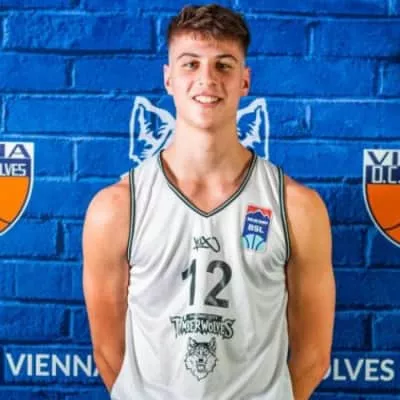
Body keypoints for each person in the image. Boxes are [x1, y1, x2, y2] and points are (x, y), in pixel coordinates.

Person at [82, 4, 335, 399]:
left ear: (245, 81)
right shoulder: (116, 209)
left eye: (223, 65)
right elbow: (109, 354)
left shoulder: (296, 208)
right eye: (190, 64)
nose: (207, 79)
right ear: (168, 78)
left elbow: (314, 357)